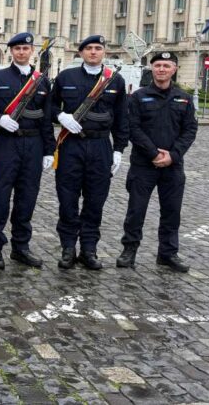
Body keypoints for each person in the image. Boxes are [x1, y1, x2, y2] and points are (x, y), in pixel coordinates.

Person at [51, 35, 129, 270]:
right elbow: (51, 107)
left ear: (104, 52)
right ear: (81, 52)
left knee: (95, 201)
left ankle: (88, 249)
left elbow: (121, 119)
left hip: (100, 147)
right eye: (89, 49)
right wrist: (61, 116)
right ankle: (67, 248)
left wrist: (118, 150)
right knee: (67, 199)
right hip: (71, 146)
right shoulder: (66, 77)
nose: (93, 52)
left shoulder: (115, 81)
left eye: (98, 48)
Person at [117, 51, 198, 272]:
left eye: (166, 65)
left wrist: (173, 155)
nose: (161, 69)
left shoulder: (184, 98)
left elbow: (190, 130)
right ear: (152, 69)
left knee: (171, 211)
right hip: (143, 165)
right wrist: (153, 153)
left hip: (173, 165)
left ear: (174, 69)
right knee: (136, 210)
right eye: (158, 65)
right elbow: (133, 128)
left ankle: (168, 254)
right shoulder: (138, 97)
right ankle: (129, 250)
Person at [0, 32, 54, 269]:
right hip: (6, 143)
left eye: (25, 48)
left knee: (27, 197)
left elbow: (46, 118)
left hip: (33, 144)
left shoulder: (42, 81)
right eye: (17, 49)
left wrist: (48, 151)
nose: (21, 52)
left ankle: (21, 247)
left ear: (32, 50)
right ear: (10, 51)